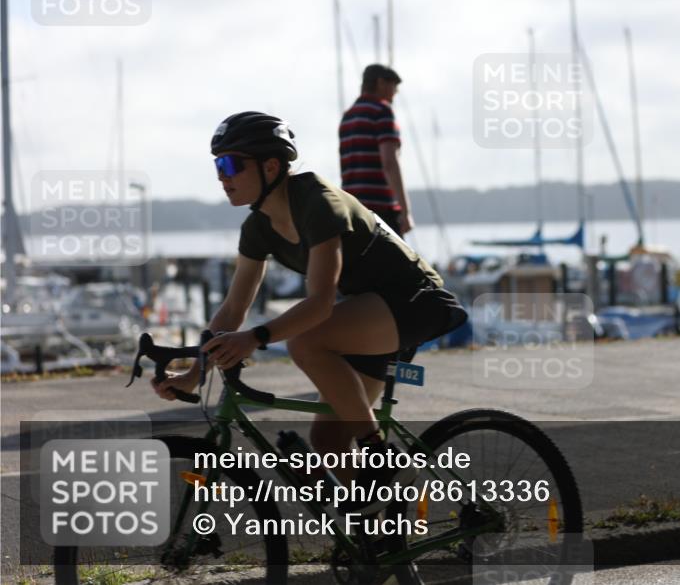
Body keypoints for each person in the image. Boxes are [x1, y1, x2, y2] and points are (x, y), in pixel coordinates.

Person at [152, 111, 467, 514]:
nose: (221, 176)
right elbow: (233, 308)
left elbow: (320, 303)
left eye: (230, 164)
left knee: (305, 342)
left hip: (416, 300)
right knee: (328, 442)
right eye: (217, 166)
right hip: (366, 314)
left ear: (270, 166)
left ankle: (378, 454)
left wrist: (256, 338)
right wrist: (195, 373)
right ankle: (377, 531)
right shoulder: (258, 227)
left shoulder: (317, 202)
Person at [339, 64, 413, 237]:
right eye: (394, 86)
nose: (396, 92)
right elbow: (389, 162)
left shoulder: (347, 116)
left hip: (352, 209)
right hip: (381, 210)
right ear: (381, 83)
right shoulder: (381, 111)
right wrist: (405, 211)